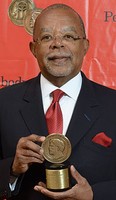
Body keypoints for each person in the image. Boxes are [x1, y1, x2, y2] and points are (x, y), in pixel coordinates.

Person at [0, 3, 116, 200]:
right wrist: (12, 169)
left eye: (69, 36)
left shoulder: (113, 105)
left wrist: (94, 195)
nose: (57, 43)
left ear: (85, 46)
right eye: (46, 37)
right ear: (33, 48)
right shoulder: (4, 103)